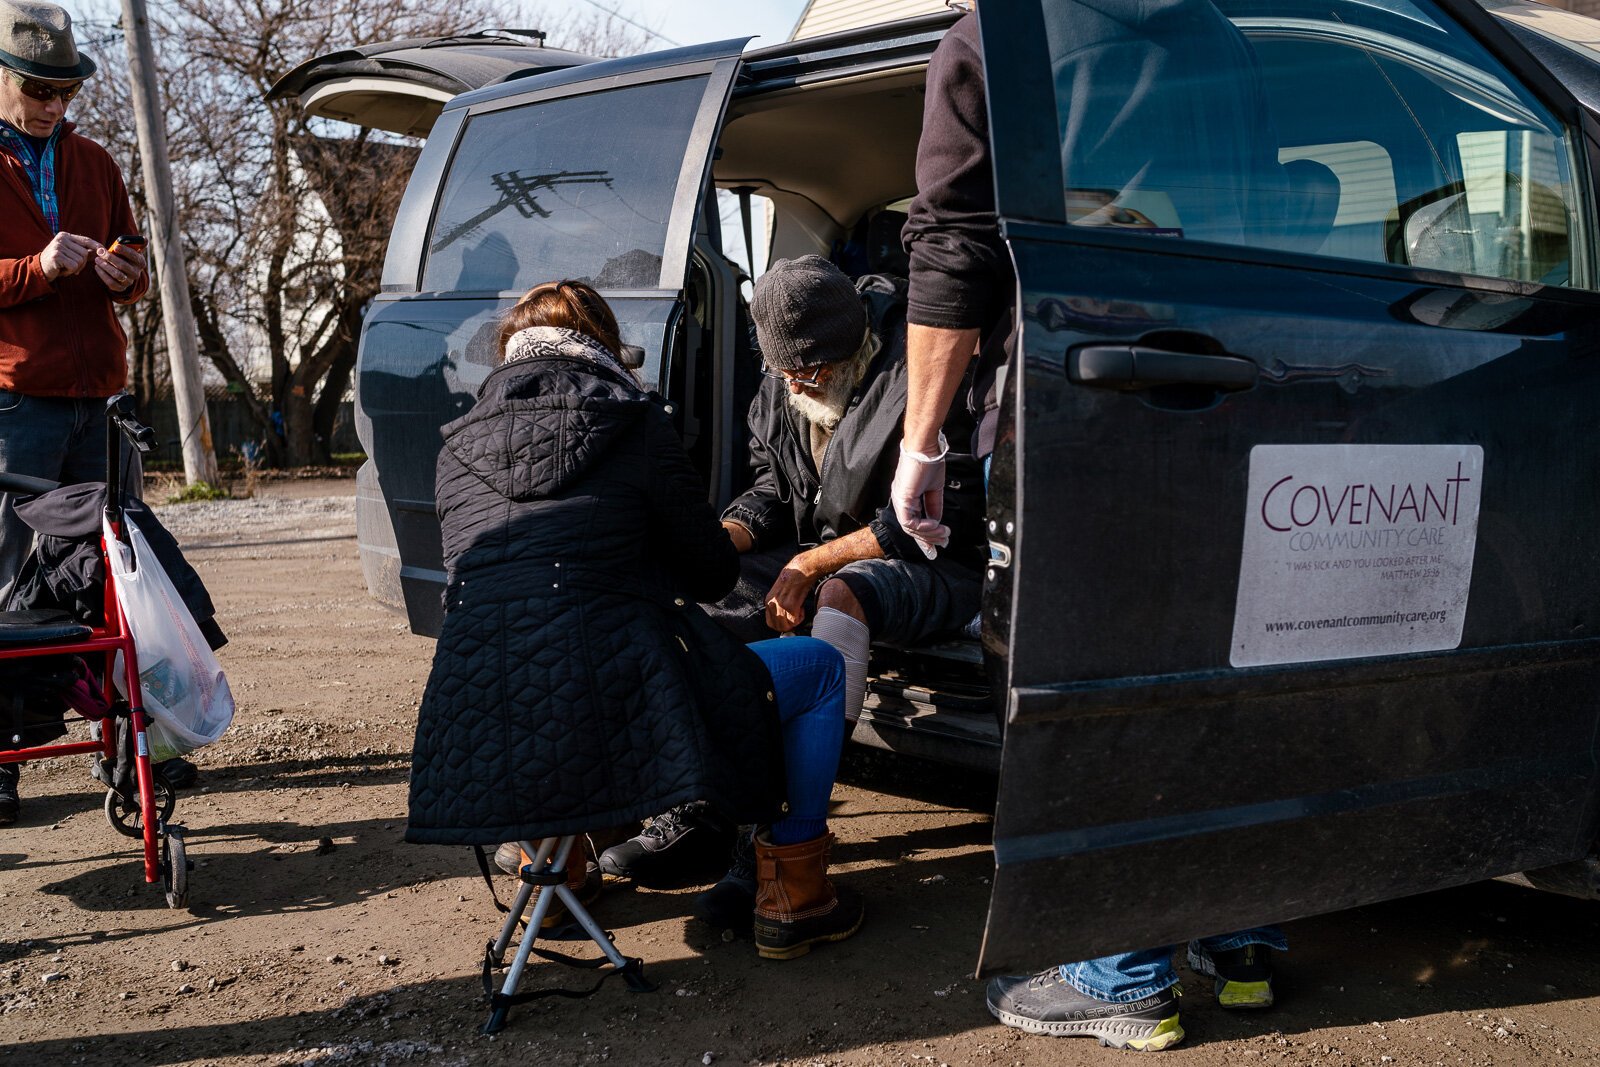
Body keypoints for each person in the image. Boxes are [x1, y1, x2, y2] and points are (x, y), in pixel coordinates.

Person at [894, 4, 1287, 1050]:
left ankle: (1118, 972)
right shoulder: (1221, 38)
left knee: (1091, 686)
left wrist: (921, 443)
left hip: (1079, 404)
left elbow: (953, 251)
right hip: (1231, 386)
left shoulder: (997, 40)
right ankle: (1241, 937)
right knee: (1228, 668)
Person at [406, 280, 864, 959]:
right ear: (604, 346)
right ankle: (793, 893)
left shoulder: (452, 450)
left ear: (509, 353)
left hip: (475, 730)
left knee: (531, 664)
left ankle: (561, 878)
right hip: (617, 715)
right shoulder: (631, 420)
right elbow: (711, 573)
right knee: (822, 669)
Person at [598, 255, 984, 906]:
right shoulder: (786, 383)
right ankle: (700, 807)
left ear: (854, 340)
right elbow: (772, 487)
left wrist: (808, 565)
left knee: (842, 595)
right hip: (825, 546)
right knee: (701, 595)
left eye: (810, 370)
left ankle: (778, 854)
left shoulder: (914, 370)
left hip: (931, 559)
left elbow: (926, 518)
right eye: (785, 371)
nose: (798, 383)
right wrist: (720, 540)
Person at [0, 1, 154, 827]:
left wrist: (127, 275)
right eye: (38, 87)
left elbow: (133, 255)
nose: (54, 103)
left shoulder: (94, 160)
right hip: (13, 400)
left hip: (94, 396)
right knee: (8, 578)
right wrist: (33, 268)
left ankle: (124, 752)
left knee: (100, 582)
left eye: (65, 88)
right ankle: (7, 761)